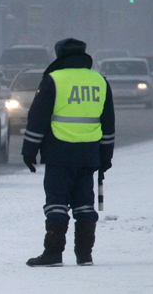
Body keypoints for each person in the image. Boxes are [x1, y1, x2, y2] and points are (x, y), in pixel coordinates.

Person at [22, 38, 115, 267]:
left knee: (56, 202)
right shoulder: (100, 81)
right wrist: (105, 156)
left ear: (60, 55)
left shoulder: (54, 80)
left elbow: (38, 118)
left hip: (59, 152)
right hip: (89, 153)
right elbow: (108, 122)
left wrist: (29, 150)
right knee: (85, 203)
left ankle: (53, 253)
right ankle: (84, 255)